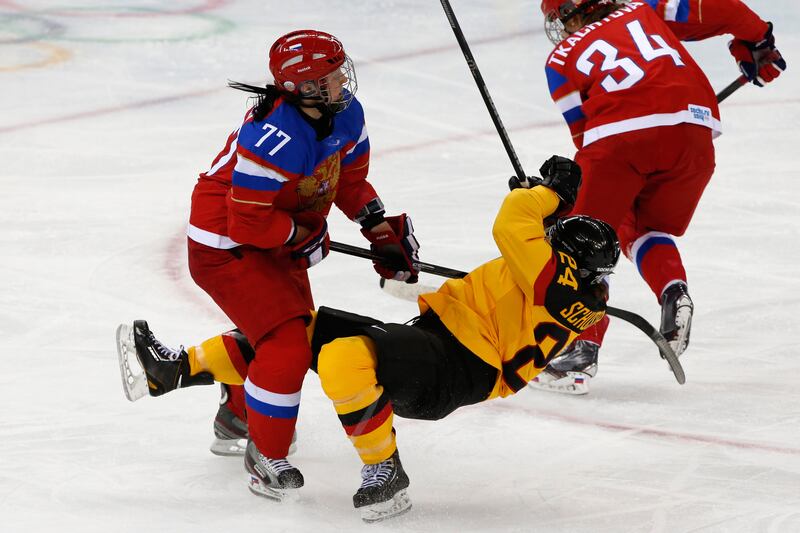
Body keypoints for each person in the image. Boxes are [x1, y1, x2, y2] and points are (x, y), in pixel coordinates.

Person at [116, 155, 621, 521]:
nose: (546, 240)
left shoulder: (553, 278)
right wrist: (550, 210)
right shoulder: (574, 285)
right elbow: (527, 244)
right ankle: (173, 371)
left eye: (554, 241)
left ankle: (385, 473)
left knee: (344, 359)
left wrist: (550, 193)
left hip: (460, 368)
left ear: (569, 260)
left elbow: (513, 221)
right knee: (291, 332)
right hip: (442, 343)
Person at [129, 28, 422, 501]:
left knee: (288, 334)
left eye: (339, 71)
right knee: (286, 345)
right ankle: (266, 458)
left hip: (273, 231)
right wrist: (299, 235)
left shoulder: (346, 112)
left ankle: (236, 413)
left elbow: (348, 183)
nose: (342, 82)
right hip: (226, 245)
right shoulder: (274, 137)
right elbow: (246, 223)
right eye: (330, 76)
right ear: (302, 87)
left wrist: (380, 231)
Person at [530, 0, 786, 395]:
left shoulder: (560, 59)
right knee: (645, 228)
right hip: (694, 134)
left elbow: (584, 138)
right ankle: (673, 291)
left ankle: (580, 353)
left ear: (571, 14)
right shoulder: (645, 9)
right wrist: (758, 43)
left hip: (619, 141)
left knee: (586, 237)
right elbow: (722, 8)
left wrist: (562, 200)